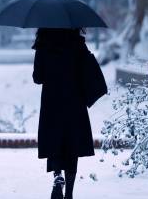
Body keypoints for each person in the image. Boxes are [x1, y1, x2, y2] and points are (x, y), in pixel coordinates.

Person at [32, 28, 106, 199]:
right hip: (75, 102)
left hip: (52, 102)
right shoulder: (78, 43)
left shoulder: (43, 43)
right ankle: (70, 193)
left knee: (54, 141)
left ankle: (58, 176)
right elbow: (87, 71)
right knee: (72, 145)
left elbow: (38, 78)